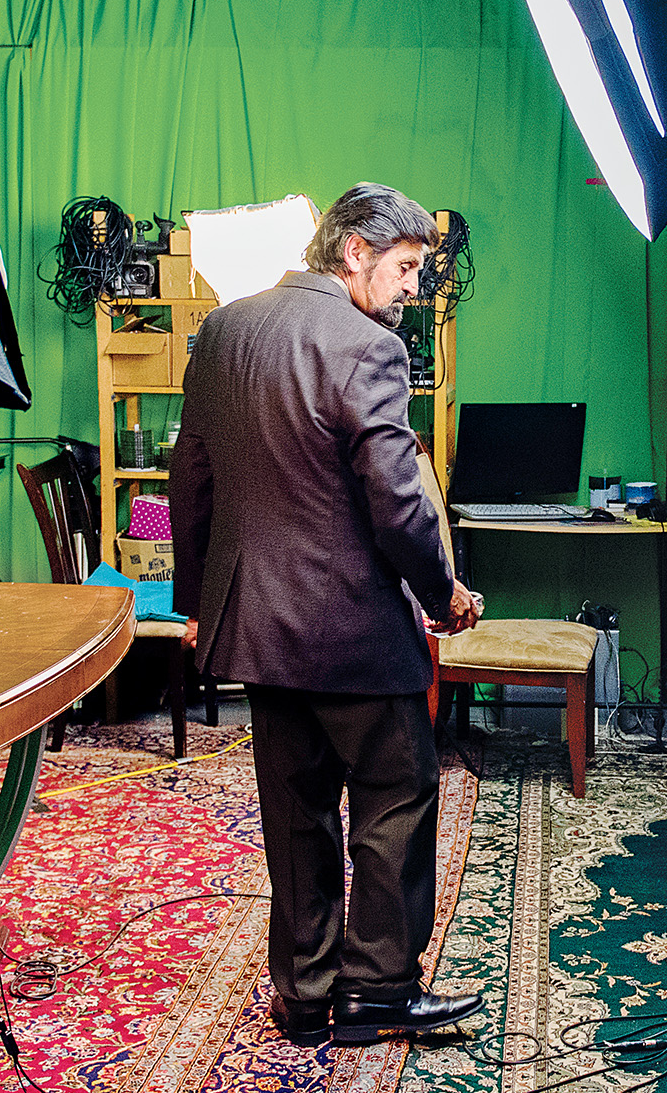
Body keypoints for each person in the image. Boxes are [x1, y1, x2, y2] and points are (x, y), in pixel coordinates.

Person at [169, 183, 485, 1048]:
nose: (414, 287)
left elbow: (187, 478)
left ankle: (304, 995)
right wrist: (442, 593)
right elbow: (396, 503)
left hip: (256, 628)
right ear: (353, 252)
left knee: (297, 809)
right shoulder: (368, 346)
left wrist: (197, 605)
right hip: (353, 630)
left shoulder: (225, 331)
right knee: (395, 798)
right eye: (407, 266)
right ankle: (378, 992)